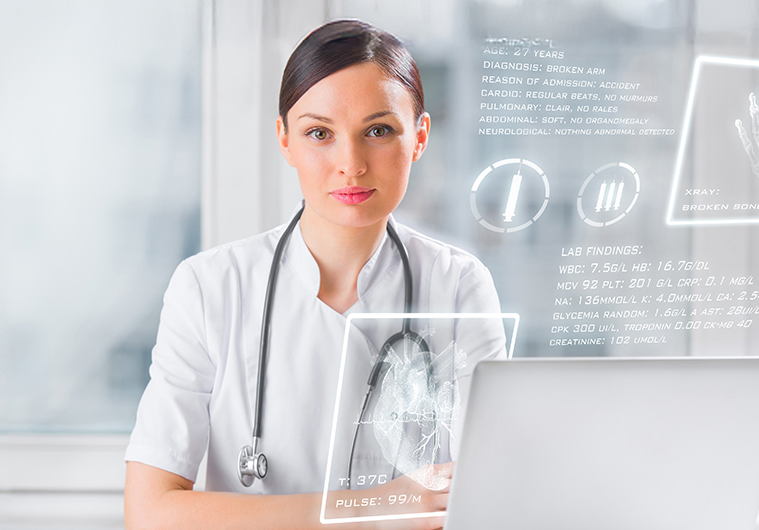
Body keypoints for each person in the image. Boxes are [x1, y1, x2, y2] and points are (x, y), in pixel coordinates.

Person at [122, 20, 502, 530]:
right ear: (284, 139)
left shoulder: (458, 287)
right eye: (319, 133)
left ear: (420, 137)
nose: (351, 163)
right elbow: (150, 513)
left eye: (379, 130)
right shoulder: (210, 286)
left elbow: (489, 494)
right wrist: (374, 506)